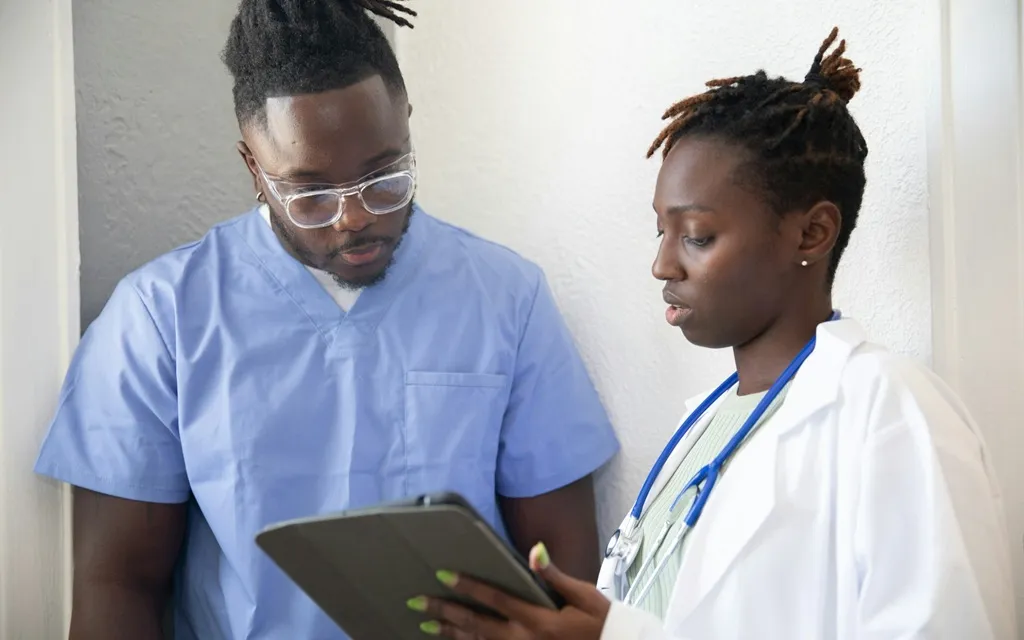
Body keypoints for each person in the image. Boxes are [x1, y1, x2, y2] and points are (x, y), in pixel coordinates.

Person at [33, 1, 621, 638]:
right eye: (310, 193)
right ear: (254, 169)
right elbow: (118, 584)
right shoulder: (160, 319)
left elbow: (564, 575)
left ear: (407, 127)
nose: (353, 218)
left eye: (383, 178)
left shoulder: (506, 297)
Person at [408, 27, 1017, 639]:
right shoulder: (707, 424)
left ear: (811, 234)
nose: (662, 265)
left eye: (696, 235)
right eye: (661, 233)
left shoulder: (893, 410)